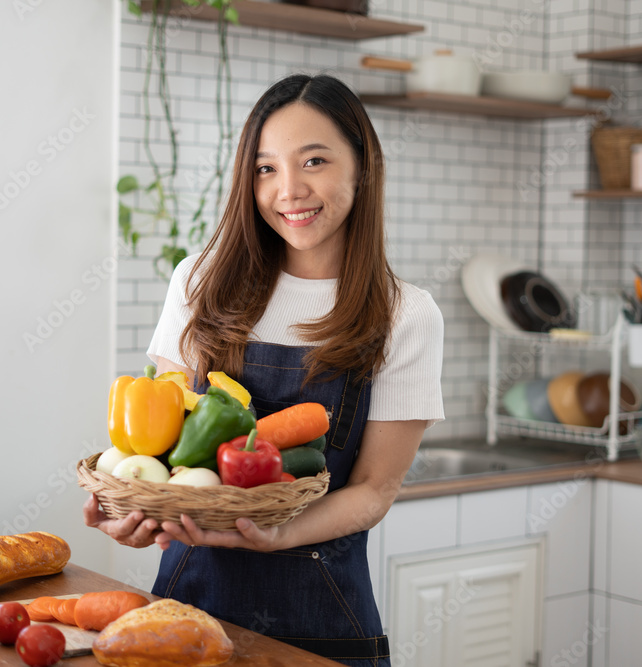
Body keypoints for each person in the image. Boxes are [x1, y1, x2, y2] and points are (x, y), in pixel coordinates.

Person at [84, 73, 444, 667]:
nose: (290, 190)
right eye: (266, 168)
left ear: (363, 167)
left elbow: (376, 489)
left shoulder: (404, 313)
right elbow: (167, 447)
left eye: (315, 161)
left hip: (321, 620)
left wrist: (276, 534)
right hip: (187, 610)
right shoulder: (199, 281)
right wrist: (139, 509)